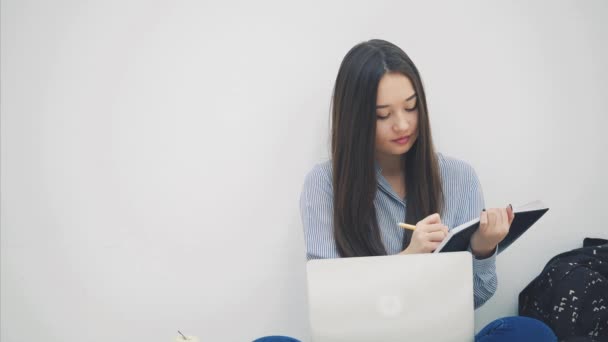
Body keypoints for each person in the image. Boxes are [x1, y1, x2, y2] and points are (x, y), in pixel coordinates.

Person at [254, 39, 556, 342]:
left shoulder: (459, 177)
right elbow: (331, 304)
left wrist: (483, 249)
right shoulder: (323, 184)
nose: (402, 124)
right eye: (383, 115)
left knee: (530, 333)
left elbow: (475, 299)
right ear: (355, 119)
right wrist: (409, 259)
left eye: (411, 107)